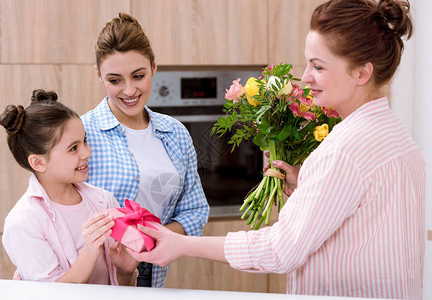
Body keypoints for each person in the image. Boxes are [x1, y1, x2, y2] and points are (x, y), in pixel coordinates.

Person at [130, 0, 426, 298]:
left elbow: (280, 250)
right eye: (308, 62)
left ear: (362, 73)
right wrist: (309, 186)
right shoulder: (398, 138)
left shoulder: (343, 151)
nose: (307, 76)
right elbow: (364, 226)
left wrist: (182, 244)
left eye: (319, 66)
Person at [80, 13, 209, 287]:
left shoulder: (175, 133)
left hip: (152, 280)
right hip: (93, 283)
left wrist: (150, 237)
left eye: (138, 76)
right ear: (98, 75)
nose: (129, 90)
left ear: (153, 67)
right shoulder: (81, 133)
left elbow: (195, 210)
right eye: (115, 80)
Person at [0, 90, 138, 285]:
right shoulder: (23, 223)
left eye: (85, 141)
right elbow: (49, 296)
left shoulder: (105, 201)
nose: (86, 152)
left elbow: (123, 289)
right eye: (73, 148)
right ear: (38, 163)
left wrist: (126, 271)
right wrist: (90, 252)